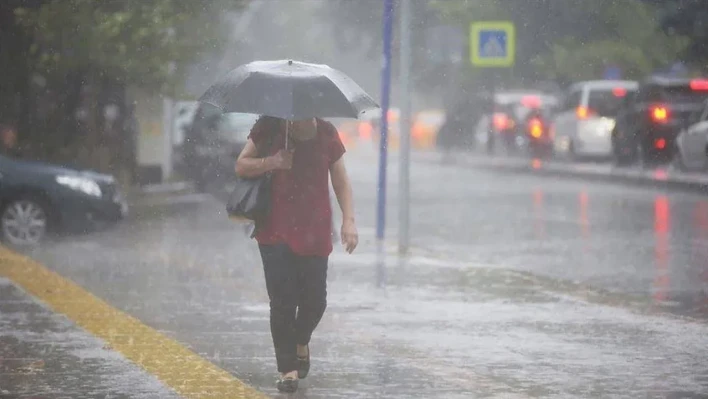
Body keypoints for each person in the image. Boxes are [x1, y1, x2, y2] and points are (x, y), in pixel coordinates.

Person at [235, 116, 358, 393]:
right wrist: (273, 162)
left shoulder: (326, 133)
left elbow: (340, 181)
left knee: (316, 301)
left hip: (315, 229)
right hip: (275, 229)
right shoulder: (269, 126)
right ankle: (287, 369)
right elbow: (241, 165)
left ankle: (301, 341)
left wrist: (348, 220)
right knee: (282, 302)